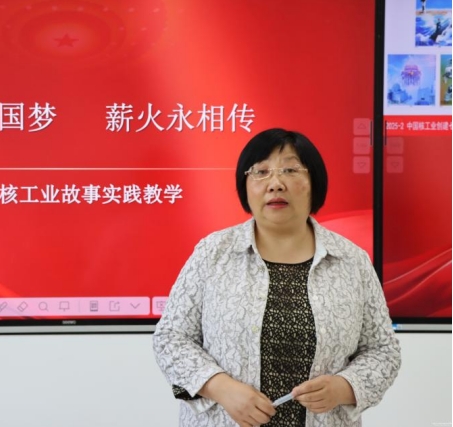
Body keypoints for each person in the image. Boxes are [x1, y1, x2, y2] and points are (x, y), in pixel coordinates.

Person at [153, 128, 401, 427]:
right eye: (261, 172)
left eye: (290, 170)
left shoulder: (352, 261)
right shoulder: (213, 252)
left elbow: (382, 350)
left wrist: (344, 387)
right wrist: (221, 388)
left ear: (314, 182)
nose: (275, 184)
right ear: (245, 186)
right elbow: (171, 338)